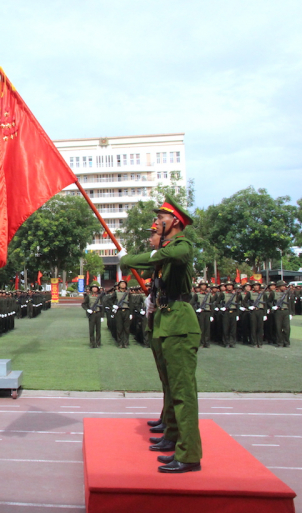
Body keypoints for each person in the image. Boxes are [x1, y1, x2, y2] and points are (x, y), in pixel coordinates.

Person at [121, 193, 202, 473]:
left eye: (160, 218)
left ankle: (189, 454)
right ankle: (174, 437)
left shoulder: (182, 245)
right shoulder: (167, 252)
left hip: (179, 324)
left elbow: (174, 253)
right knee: (173, 388)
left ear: (175, 222)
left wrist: (130, 258)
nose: (156, 223)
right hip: (168, 322)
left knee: (183, 393)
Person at [82, 282, 104, 348]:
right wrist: (87, 309)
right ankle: (92, 343)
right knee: (91, 329)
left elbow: (102, 306)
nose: (94, 289)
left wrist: (102, 316)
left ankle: (98, 342)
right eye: (93, 288)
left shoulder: (100, 296)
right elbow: (83, 304)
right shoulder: (88, 296)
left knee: (98, 329)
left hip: (98, 313)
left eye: (96, 288)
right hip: (92, 314)